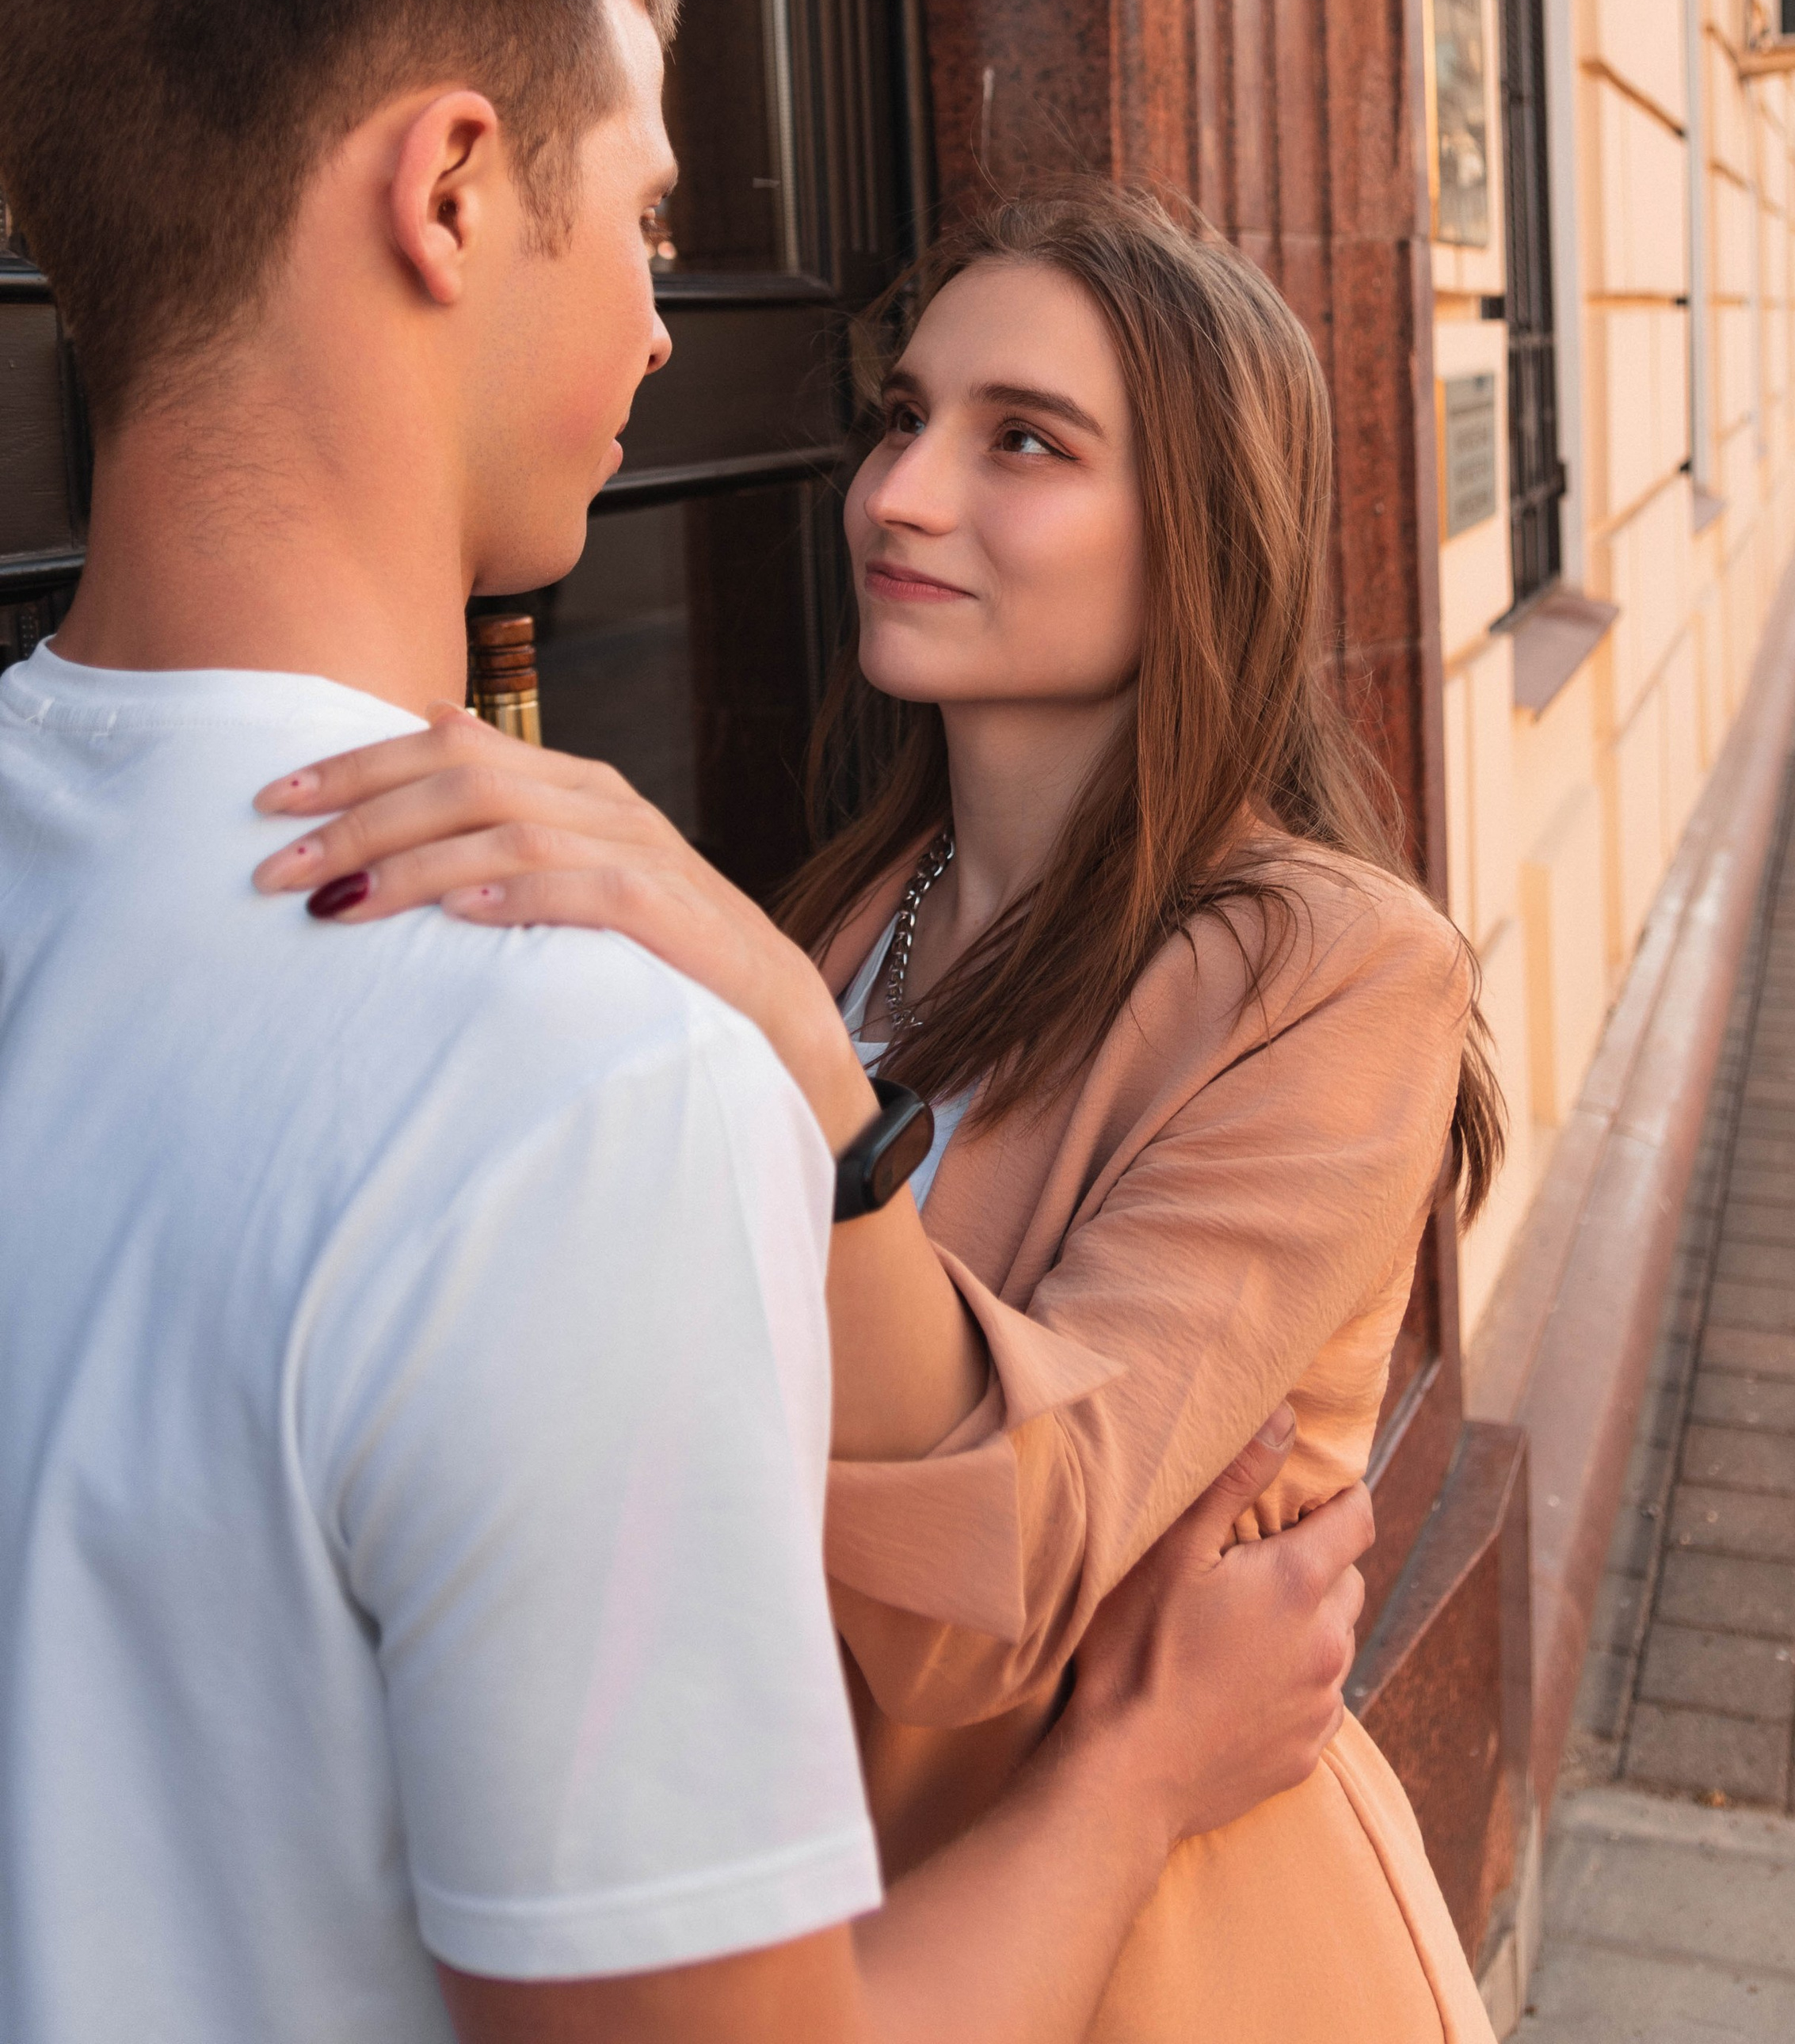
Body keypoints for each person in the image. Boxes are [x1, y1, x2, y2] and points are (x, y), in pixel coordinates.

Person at [0, 0, 1378, 2044]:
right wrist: (1125, 1780)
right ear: (449, 192)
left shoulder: (717, 1000)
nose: (665, 323)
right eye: (642, 219)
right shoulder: (587, 1071)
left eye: (1023, 442)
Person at [270, 185, 1507, 2042]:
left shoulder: (1334, 973)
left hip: (1173, 1962)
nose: (900, 494)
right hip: (835, 1919)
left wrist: (777, 1032)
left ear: (1205, 532)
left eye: (1023, 442)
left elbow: (1006, 1581)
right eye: (901, 418)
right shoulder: (858, 910)